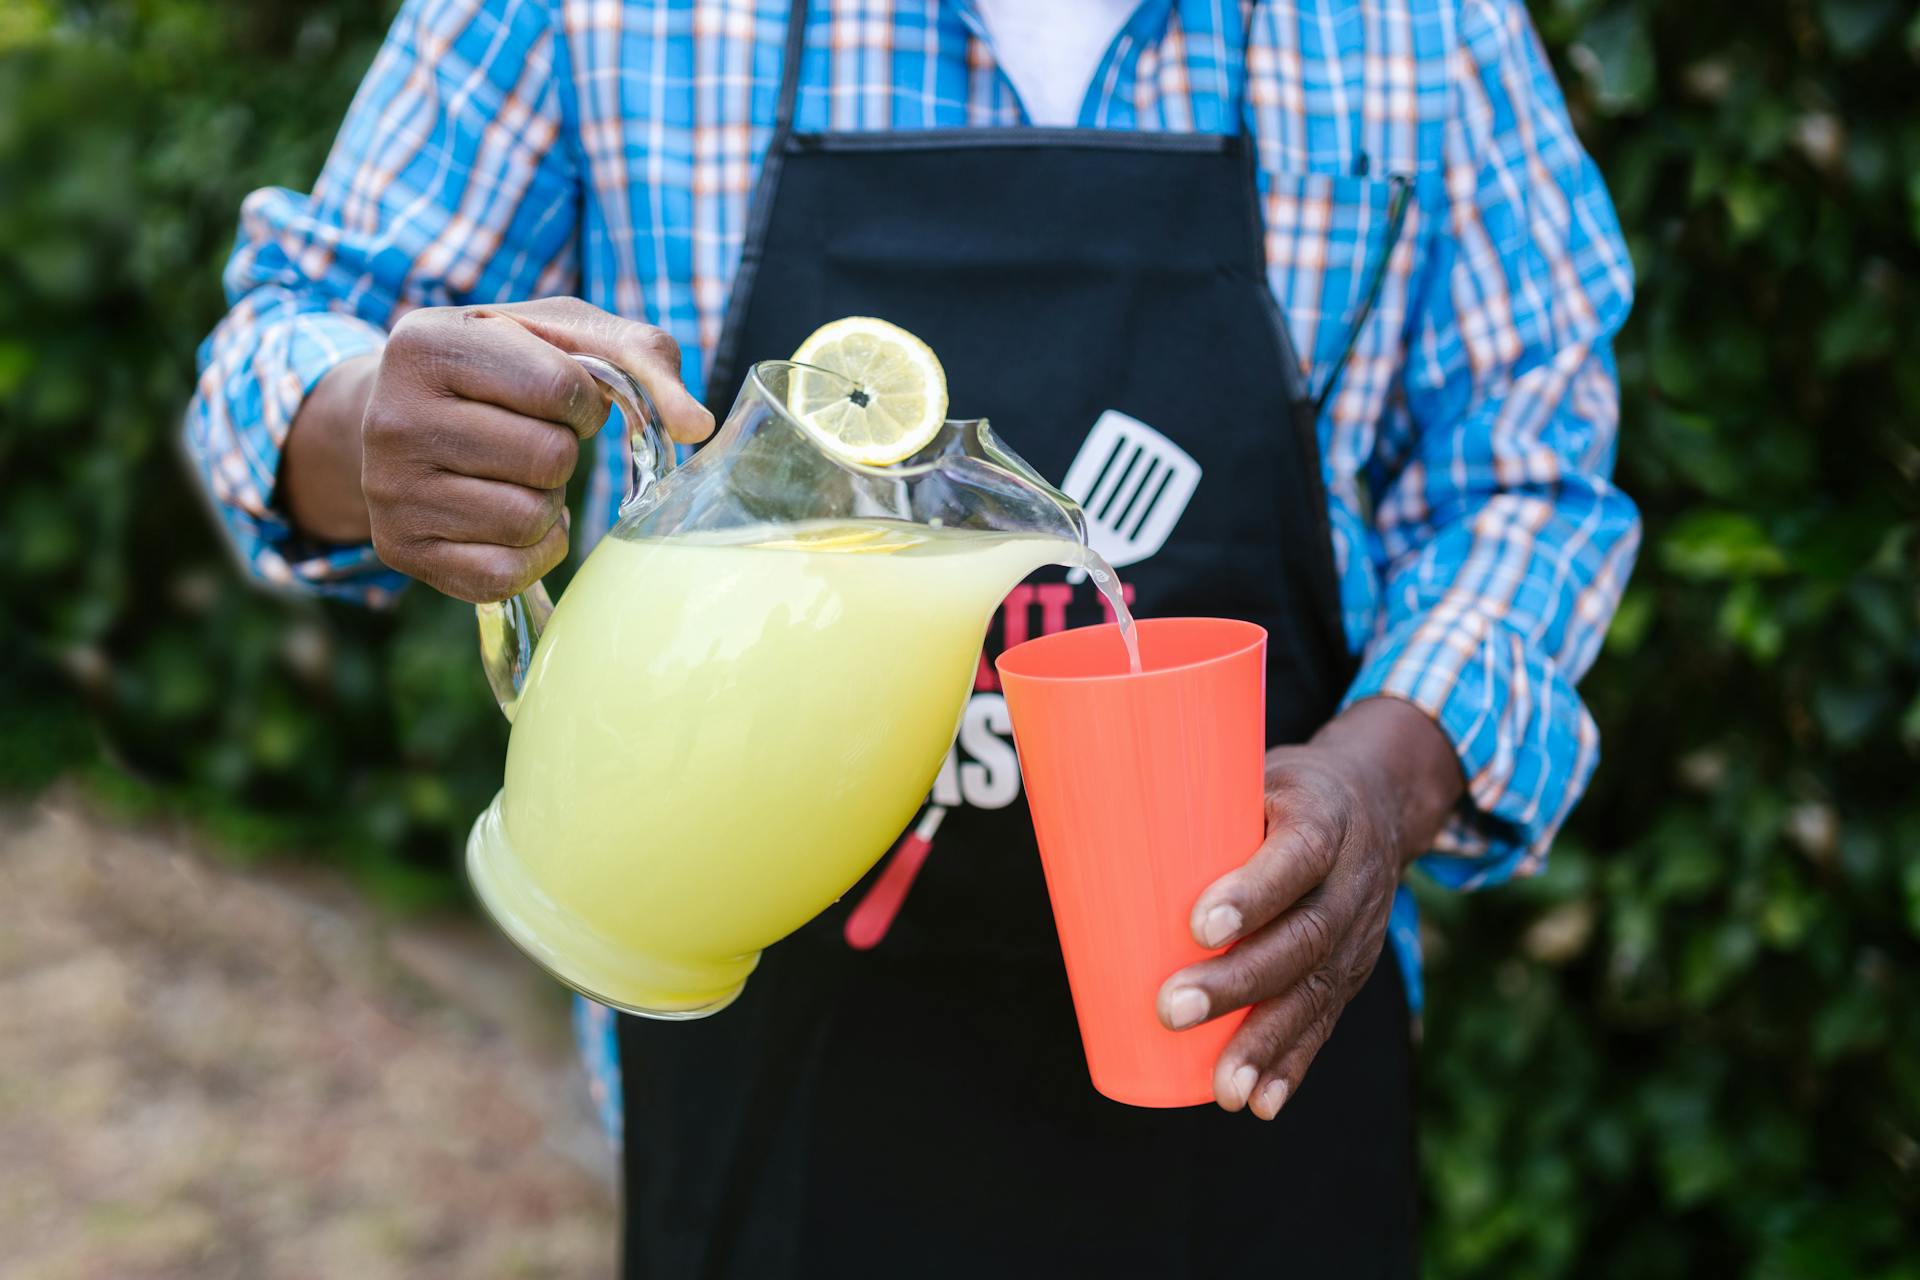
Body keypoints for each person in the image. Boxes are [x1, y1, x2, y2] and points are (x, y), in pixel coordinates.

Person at [186, 0, 1638, 1274]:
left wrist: (1384, 786)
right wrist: (373, 418)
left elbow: (1529, 479)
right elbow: (294, 340)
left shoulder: (1422, 27)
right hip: (770, 1109)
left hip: (1257, 1078)